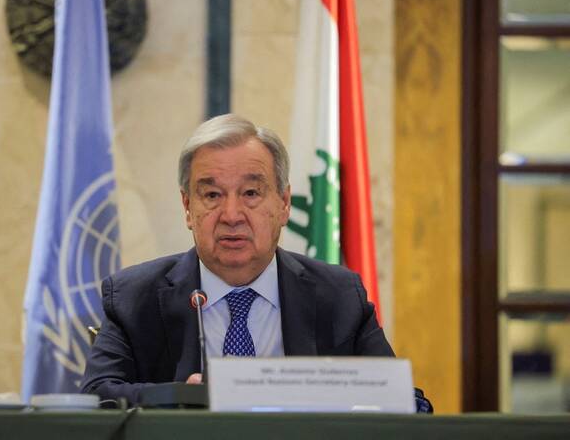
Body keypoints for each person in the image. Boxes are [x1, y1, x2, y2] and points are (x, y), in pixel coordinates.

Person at [80, 114, 397, 405]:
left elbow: (400, 399)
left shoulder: (339, 295)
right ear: (188, 207)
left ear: (284, 204)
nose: (231, 215)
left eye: (251, 193)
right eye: (212, 195)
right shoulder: (134, 298)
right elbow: (97, 396)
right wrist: (180, 397)